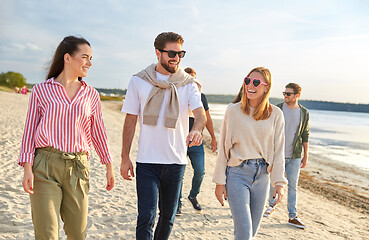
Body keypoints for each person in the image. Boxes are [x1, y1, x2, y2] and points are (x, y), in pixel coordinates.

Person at [18, 36, 115, 240]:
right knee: (46, 233)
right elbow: (29, 131)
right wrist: (27, 167)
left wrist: (108, 165)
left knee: (77, 234)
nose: (90, 63)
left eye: (91, 58)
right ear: (68, 58)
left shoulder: (91, 95)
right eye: (85, 57)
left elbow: (98, 132)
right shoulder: (41, 90)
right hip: (45, 167)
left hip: (78, 168)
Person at [120, 32, 206, 240]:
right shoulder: (139, 81)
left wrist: (197, 129)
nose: (176, 57)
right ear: (158, 52)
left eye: (180, 53)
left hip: (176, 161)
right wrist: (125, 157)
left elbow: (200, 114)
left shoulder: (188, 84)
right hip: (147, 161)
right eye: (171, 53)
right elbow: (130, 121)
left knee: (167, 217)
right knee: (146, 216)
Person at [213, 67, 287, 240]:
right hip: (237, 174)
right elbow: (224, 149)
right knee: (244, 233)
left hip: (263, 177)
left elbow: (279, 151)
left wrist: (279, 182)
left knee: (251, 233)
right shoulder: (233, 110)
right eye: (247, 81)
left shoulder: (276, 114)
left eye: (255, 82)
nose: (249, 86)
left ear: (266, 87)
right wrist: (219, 182)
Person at [263, 83, 309, 229]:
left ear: (297, 96)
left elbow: (305, 134)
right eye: (284, 93)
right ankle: (271, 206)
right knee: (274, 181)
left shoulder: (304, 113)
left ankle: (292, 215)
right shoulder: (277, 109)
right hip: (277, 153)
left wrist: (305, 155)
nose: (285, 96)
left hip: (295, 155)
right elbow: (267, 130)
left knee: (293, 185)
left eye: (288, 94)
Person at [176, 67, 217, 215]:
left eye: (194, 78)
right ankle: (177, 203)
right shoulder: (178, 94)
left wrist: (213, 137)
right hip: (180, 141)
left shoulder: (201, 97)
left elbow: (207, 118)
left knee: (200, 171)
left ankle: (193, 195)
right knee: (178, 173)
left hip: (197, 142)